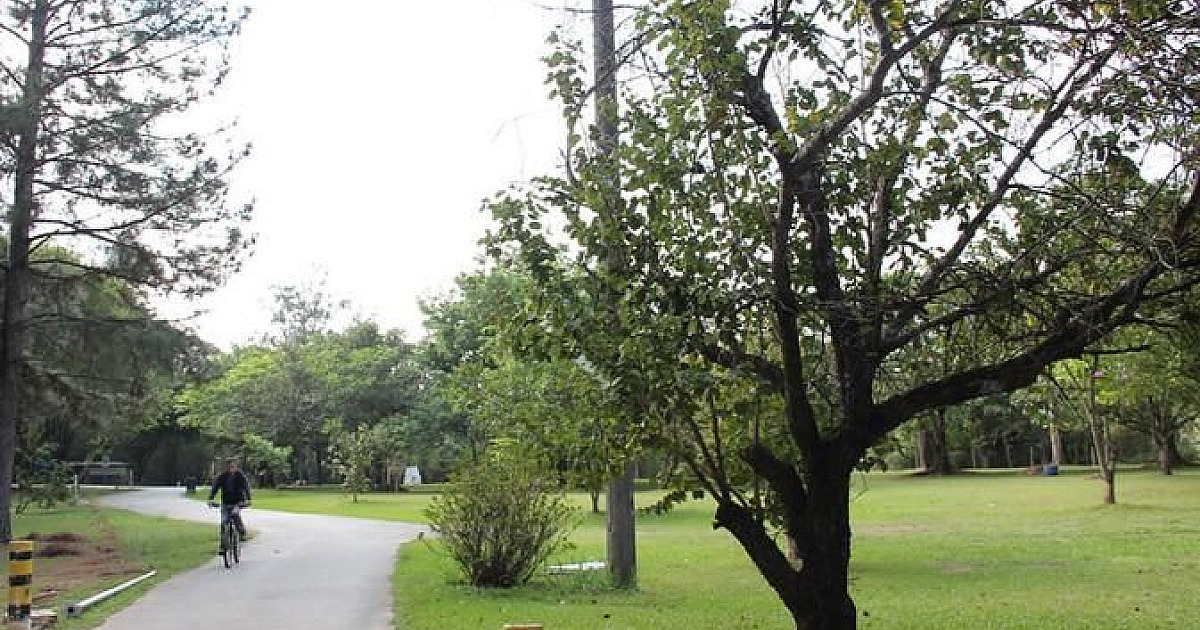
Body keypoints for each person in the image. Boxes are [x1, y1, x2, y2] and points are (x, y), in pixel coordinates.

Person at [208, 458, 252, 542]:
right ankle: (223, 544)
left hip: (237, 502)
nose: (231, 468)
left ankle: (242, 532)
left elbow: (246, 487)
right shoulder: (223, 476)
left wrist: (248, 499)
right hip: (226, 503)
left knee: (235, 514)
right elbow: (215, 487)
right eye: (229, 466)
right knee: (224, 522)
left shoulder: (240, 476)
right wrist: (211, 498)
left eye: (233, 466)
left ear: (235, 466)